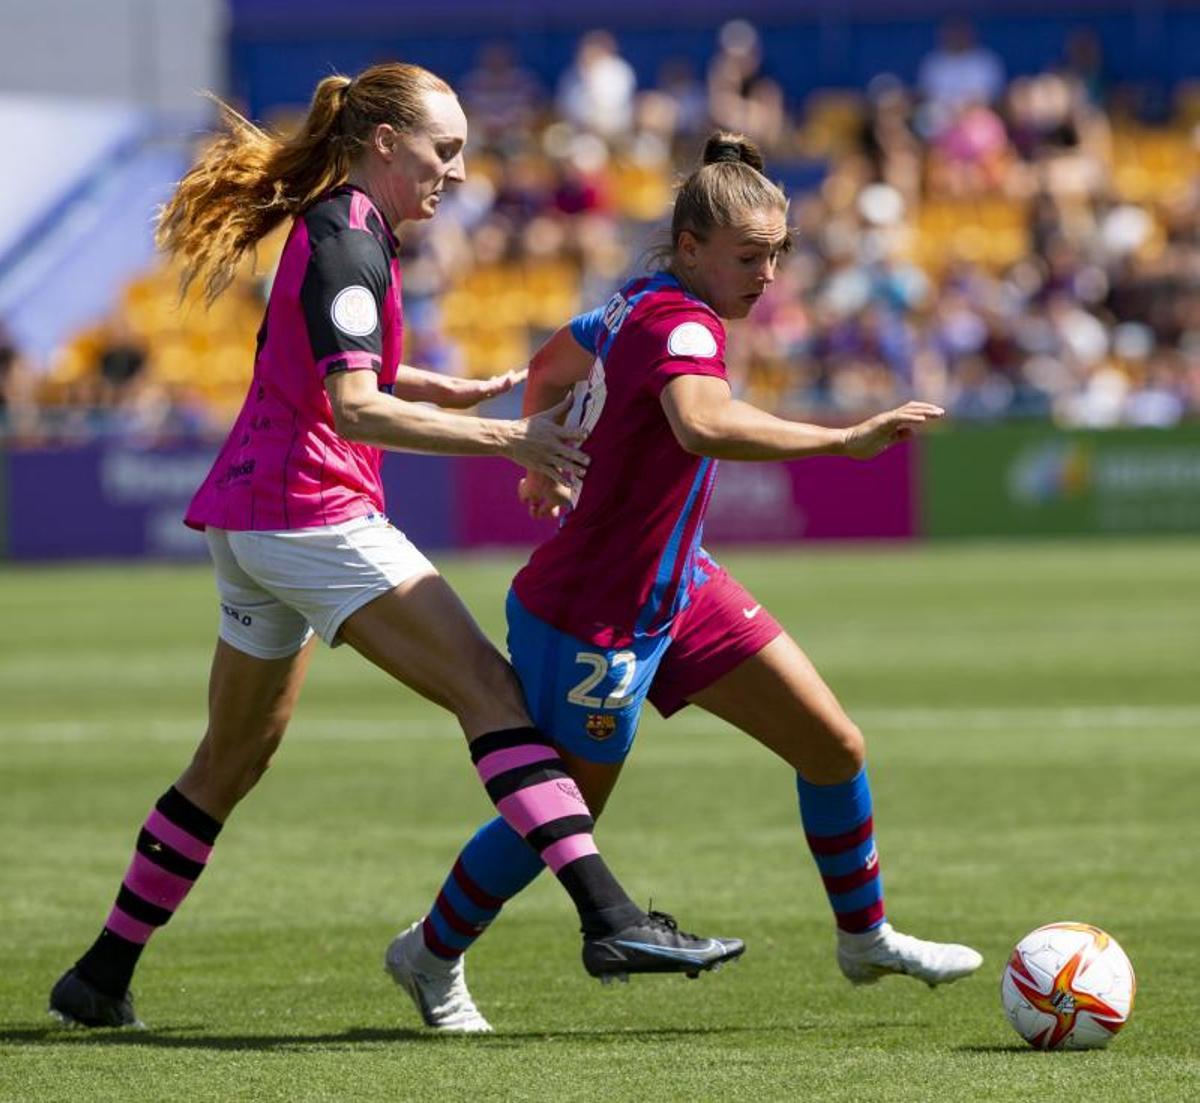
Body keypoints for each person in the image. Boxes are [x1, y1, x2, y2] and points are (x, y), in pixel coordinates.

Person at [47, 63, 742, 1031]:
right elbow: (353, 406)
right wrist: (509, 436)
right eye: (443, 150)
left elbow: (320, 360)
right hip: (308, 513)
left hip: (254, 520)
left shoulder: (348, 228)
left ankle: (99, 974)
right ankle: (609, 916)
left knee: (230, 758)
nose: (456, 171)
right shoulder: (347, 236)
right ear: (384, 143)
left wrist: (429, 384)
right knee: (490, 693)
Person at [387, 132, 983, 1032]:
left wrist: (541, 454)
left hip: (681, 591)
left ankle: (865, 938)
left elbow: (551, 364)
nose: (768, 275)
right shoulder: (684, 324)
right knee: (562, 815)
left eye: (778, 254)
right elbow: (702, 424)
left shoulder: (635, 302)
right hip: (594, 612)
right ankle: (429, 953)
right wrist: (841, 439)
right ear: (692, 247)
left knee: (833, 746)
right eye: (750, 257)